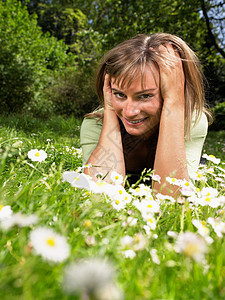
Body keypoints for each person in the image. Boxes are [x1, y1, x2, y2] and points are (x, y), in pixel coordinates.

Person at [80, 33, 212, 195]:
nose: (129, 112)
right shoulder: (95, 125)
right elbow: (99, 198)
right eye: (120, 94)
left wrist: (174, 104)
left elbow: (173, 203)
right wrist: (110, 114)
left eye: (145, 96)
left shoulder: (192, 122)